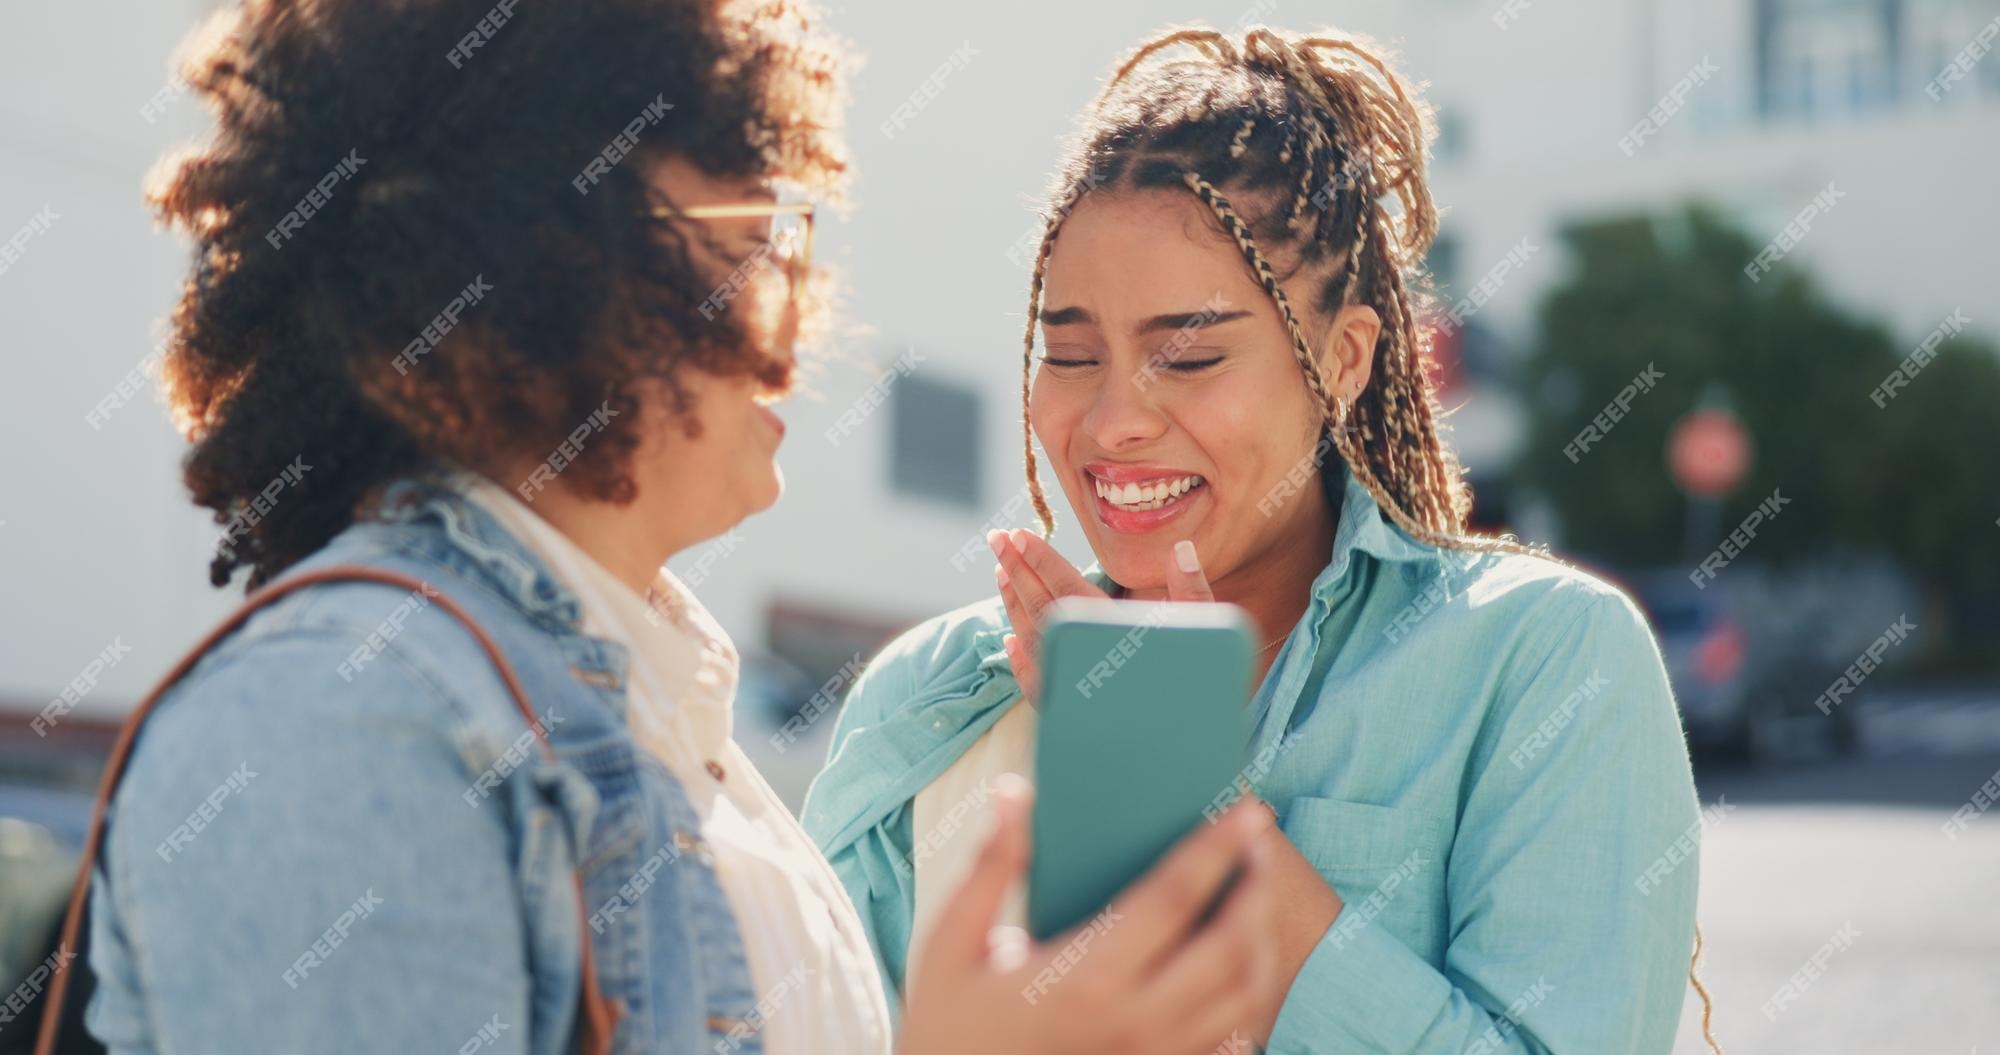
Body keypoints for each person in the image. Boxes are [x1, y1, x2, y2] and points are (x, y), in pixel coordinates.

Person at [76, 2, 1283, 1053]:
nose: (796, 309)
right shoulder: (350, 720)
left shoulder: (658, 711)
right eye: (745, 244)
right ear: (537, 273)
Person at [805, 25, 1721, 1054]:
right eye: (1068, 351)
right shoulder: (925, 697)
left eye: (1187, 355)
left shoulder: (1542, 661)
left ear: (1341, 358)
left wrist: (1167, 793)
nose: (1112, 422)